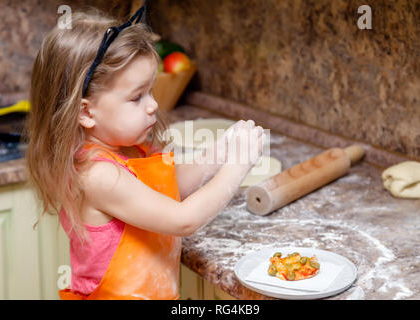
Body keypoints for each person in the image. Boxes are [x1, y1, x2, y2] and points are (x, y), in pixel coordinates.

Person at [24, 6, 265, 300]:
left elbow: (171, 186)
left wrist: (218, 153)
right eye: (137, 97)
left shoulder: (127, 147)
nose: (152, 105)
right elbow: (182, 219)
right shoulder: (98, 174)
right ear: (86, 112)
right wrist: (237, 167)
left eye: (150, 90)